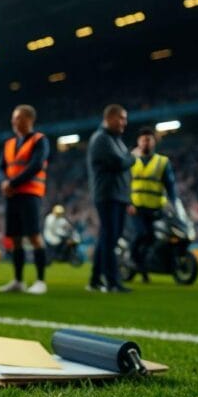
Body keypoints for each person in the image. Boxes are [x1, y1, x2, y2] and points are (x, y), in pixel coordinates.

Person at [0, 105, 51, 295]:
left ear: (29, 119)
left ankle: (40, 281)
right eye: (13, 118)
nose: (14, 121)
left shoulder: (40, 141)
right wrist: (4, 182)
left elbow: (36, 165)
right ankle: (18, 280)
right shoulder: (9, 143)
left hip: (30, 194)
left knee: (34, 236)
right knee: (15, 238)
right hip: (12, 196)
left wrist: (12, 183)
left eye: (18, 117)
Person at [87, 104, 138, 293]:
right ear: (109, 118)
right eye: (121, 118)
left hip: (117, 195)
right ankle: (112, 282)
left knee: (107, 237)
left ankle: (95, 279)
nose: (125, 122)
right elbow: (120, 163)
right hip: (108, 195)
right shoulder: (101, 139)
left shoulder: (114, 139)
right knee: (110, 239)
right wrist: (133, 157)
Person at [128, 127, 177, 282]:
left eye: (149, 139)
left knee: (156, 239)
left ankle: (146, 267)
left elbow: (170, 185)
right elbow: (123, 183)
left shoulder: (163, 162)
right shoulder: (130, 159)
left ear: (154, 141)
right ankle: (132, 260)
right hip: (136, 208)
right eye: (143, 139)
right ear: (138, 142)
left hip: (156, 208)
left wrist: (174, 203)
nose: (146, 142)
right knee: (142, 234)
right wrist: (128, 203)